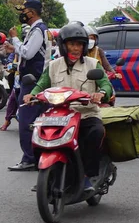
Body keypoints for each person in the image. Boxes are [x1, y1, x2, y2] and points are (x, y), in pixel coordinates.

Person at [23, 23, 113, 191]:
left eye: (79, 44)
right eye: (72, 44)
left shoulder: (93, 64)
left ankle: (88, 175)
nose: (76, 48)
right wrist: (31, 95)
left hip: (86, 113)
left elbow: (106, 85)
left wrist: (100, 93)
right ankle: (45, 173)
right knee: (36, 133)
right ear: (64, 46)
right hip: (59, 115)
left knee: (96, 132)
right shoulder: (54, 65)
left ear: (84, 46)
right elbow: (42, 84)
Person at [5, 0, 51, 171]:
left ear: (31, 13)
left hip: (34, 82)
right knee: (38, 121)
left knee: (26, 122)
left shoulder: (38, 30)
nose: (22, 15)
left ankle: (30, 158)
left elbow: (28, 53)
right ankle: (38, 157)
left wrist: (15, 39)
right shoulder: (38, 29)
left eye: (23, 11)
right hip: (36, 79)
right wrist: (15, 47)